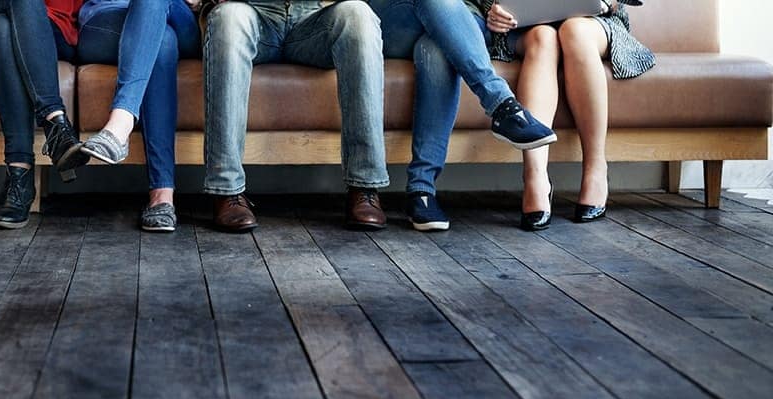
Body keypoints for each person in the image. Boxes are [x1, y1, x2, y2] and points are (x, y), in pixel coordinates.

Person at [365, 0, 558, 232]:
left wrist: (495, 9)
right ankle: (501, 105)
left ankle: (422, 190)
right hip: (394, 17)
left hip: (460, 18)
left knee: (438, 49)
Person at [202, 0, 387, 232]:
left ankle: (365, 188)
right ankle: (226, 190)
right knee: (228, 17)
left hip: (313, 19)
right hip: (253, 14)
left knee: (358, 14)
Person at [468, 0, 653, 230]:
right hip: (524, 27)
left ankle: (596, 169)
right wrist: (492, 10)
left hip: (593, 23)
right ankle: (535, 176)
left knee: (574, 30)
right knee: (544, 38)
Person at [76, 0, 200, 231]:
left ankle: (120, 123)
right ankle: (162, 195)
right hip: (106, 18)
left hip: (177, 13)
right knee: (162, 42)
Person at [0, 0, 87, 229]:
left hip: (51, 25)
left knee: (2, 29)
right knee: (0, 21)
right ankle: (55, 124)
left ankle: (19, 174)